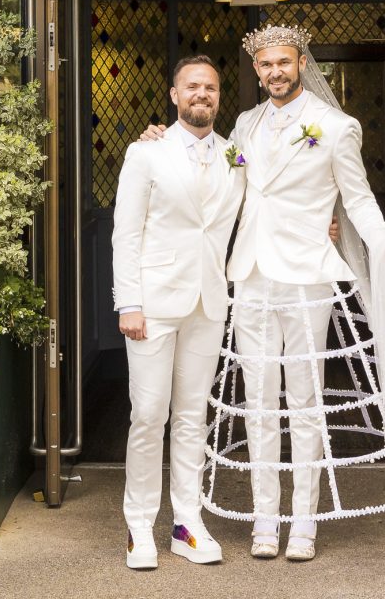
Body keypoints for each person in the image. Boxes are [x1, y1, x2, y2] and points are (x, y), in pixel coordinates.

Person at [225, 25, 385, 562]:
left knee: (304, 401)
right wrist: (167, 143)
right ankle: (266, 519)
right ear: (257, 70)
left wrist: (382, 243)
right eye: (265, 65)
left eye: (283, 62)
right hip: (251, 274)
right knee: (256, 402)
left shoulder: (335, 126)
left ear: (301, 62)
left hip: (307, 276)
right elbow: (227, 179)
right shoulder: (244, 123)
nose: (274, 72)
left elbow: (358, 199)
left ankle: (302, 523)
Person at [112, 54, 246, 570]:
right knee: (148, 415)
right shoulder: (146, 153)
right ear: (174, 95)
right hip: (152, 304)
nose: (201, 95)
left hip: (209, 302)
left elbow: (264, 201)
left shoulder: (235, 154)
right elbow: (126, 233)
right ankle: (139, 526)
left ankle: (187, 523)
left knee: (192, 417)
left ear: (218, 96)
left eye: (209, 88)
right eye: (192, 87)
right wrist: (129, 302)